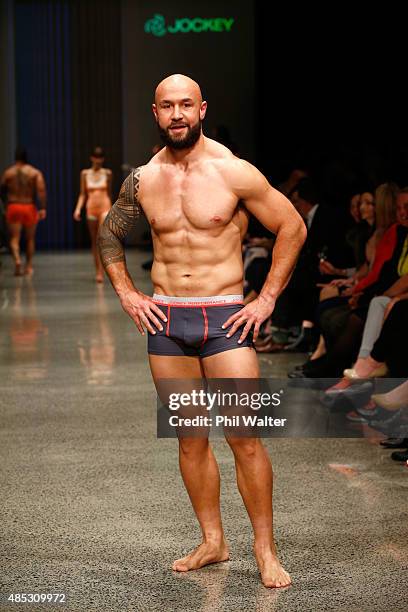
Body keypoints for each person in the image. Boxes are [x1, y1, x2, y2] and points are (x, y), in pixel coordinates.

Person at [97, 74, 306, 588]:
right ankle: (213, 540)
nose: (177, 114)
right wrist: (127, 294)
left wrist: (268, 299)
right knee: (190, 440)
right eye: (167, 106)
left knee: (245, 439)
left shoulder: (232, 171)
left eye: (185, 105)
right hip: (167, 319)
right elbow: (109, 233)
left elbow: (293, 226)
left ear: (202, 108)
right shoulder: (144, 179)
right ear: (155, 112)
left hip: (224, 318)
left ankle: (264, 548)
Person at [0, 147, 47, 276]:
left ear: (15, 157)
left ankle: (17, 259)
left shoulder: (8, 173)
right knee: (30, 239)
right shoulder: (34, 173)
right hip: (28, 206)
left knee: (14, 238)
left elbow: (1, 190)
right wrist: (42, 208)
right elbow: (41, 191)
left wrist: (5, 205)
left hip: (13, 206)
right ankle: (29, 266)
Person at [74, 146, 112, 282]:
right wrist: (78, 209)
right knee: (94, 241)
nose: (98, 160)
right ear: (92, 158)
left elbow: (109, 193)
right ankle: (98, 271)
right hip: (91, 207)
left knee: (101, 239)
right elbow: (82, 194)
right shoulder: (85, 174)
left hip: (104, 206)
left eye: (100, 157)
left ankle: (104, 269)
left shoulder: (107, 173)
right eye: (96, 157)